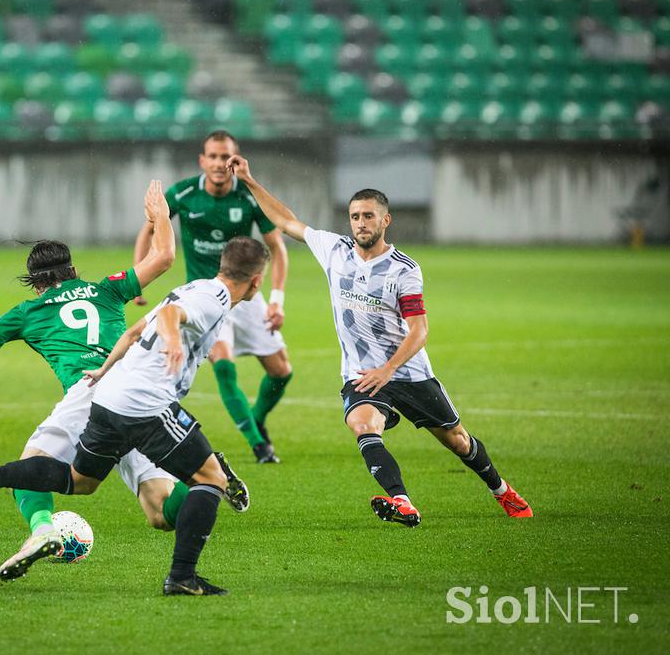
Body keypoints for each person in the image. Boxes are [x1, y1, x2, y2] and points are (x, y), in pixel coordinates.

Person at [0, 181, 247, 582]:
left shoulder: (28, 311)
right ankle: (209, 474)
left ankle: (41, 530)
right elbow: (162, 257)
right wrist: (159, 215)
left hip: (91, 392)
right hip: (139, 391)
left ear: (35, 283)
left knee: (32, 461)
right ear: (73, 270)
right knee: (160, 511)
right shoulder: (105, 289)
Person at [225, 153, 533, 527]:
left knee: (457, 440)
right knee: (362, 425)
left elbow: (419, 330)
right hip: (361, 374)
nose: (361, 223)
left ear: (385, 220)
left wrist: (389, 369)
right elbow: (286, 220)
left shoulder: (404, 270)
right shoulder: (334, 251)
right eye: (355, 216)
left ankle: (502, 491)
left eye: (368, 216)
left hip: (407, 371)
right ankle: (402, 502)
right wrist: (250, 181)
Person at [134, 130, 291, 464]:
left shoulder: (248, 197)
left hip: (246, 294)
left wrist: (276, 298)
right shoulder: (185, 193)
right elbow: (150, 228)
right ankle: (258, 444)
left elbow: (278, 248)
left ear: (235, 160)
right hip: (205, 297)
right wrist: (138, 275)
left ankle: (256, 418)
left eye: (227, 157)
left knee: (281, 371)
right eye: (214, 157)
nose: (220, 163)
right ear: (202, 160)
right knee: (224, 367)